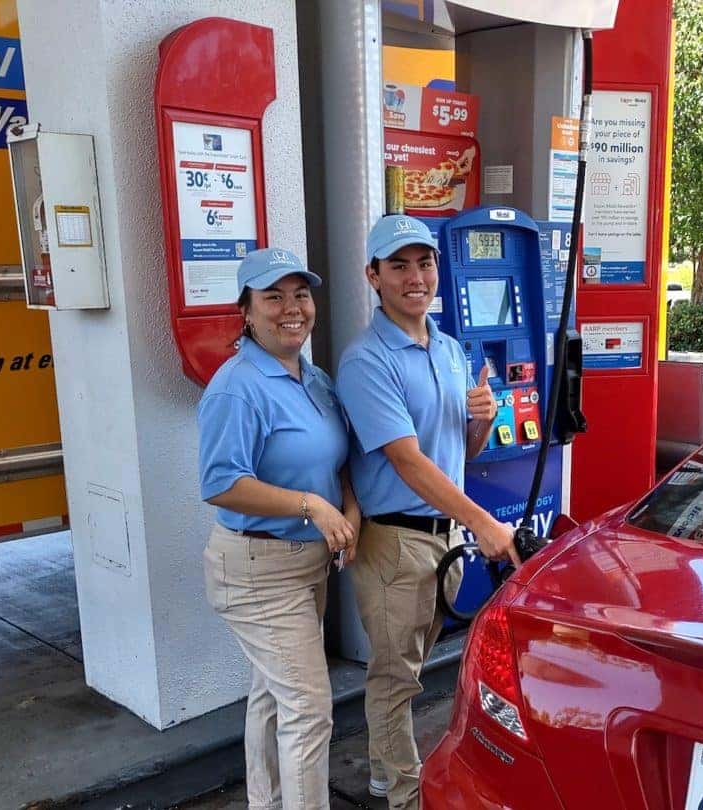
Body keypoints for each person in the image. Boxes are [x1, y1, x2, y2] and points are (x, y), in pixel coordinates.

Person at [335, 215, 521, 810]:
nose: (416, 277)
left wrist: (483, 421)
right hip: (396, 544)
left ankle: (380, 774)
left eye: (425, 263)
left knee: (409, 671)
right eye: (399, 265)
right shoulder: (367, 361)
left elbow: (456, 454)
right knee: (394, 682)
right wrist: (488, 523)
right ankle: (405, 798)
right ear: (373, 275)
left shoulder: (446, 347)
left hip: (445, 541)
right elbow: (409, 463)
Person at [197, 246, 360, 810]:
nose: (292, 309)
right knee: (309, 709)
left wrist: (347, 506)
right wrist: (312, 505)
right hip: (255, 569)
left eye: (300, 294)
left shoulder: (313, 378)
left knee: (274, 693)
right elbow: (221, 483)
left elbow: (330, 462)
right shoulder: (237, 386)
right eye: (273, 297)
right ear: (245, 311)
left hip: (305, 563)